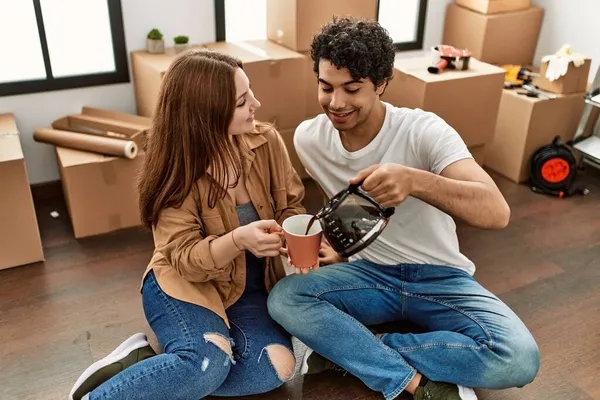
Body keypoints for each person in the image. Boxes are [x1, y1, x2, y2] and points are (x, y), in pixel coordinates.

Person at [267, 17, 540, 400]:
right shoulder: (309, 140)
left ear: (380, 84)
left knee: (519, 359)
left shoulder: (424, 131)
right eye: (326, 87)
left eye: (352, 89)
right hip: (370, 275)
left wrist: (416, 181)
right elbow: (347, 203)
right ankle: (398, 369)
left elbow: (497, 212)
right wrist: (334, 242)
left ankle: (359, 349)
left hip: (442, 278)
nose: (337, 102)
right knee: (285, 297)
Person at [69, 49, 306, 400]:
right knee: (205, 366)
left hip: (250, 290)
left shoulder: (266, 140)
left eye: (250, 91)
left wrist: (294, 235)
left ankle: (150, 364)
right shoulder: (177, 170)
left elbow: (290, 204)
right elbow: (183, 258)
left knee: (275, 368)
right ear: (207, 114)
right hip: (184, 285)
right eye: (242, 101)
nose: (256, 103)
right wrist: (238, 239)